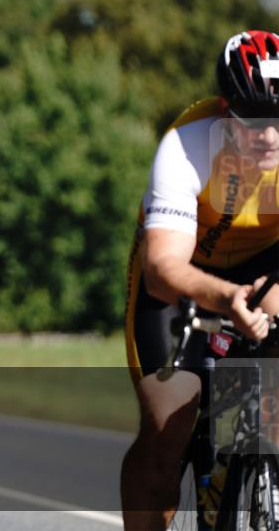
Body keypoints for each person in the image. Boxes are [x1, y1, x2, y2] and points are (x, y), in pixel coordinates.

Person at [120, 30, 279, 531]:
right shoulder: (187, 144)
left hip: (262, 269)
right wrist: (225, 297)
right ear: (225, 108)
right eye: (253, 119)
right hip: (180, 279)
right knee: (168, 427)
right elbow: (164, 269)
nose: (269, 135)